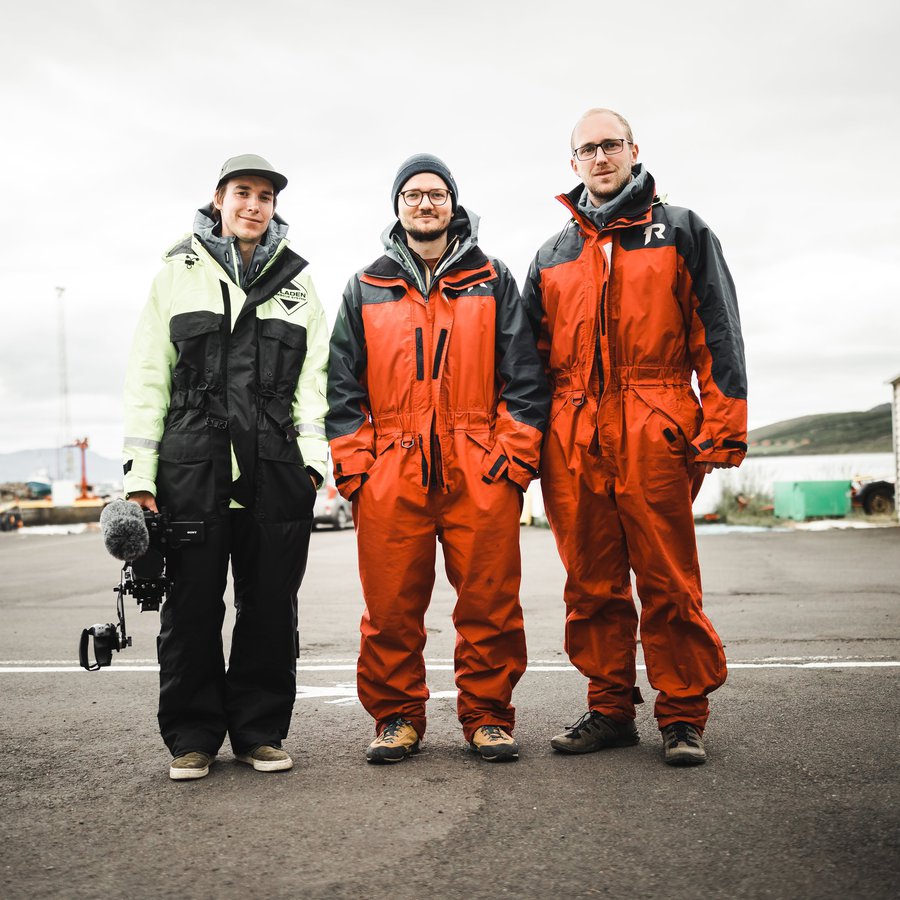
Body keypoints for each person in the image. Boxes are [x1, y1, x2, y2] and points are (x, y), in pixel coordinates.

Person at [522, 109, 747, 766]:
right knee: (590, 582)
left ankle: (682, 715)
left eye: (610, 144)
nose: (600, 157)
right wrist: (526, 448)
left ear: (633, 150)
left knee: (668, 578)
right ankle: (609, 707)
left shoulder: (681, 231)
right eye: (586, 149)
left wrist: (723, 422)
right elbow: (528, 364)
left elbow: (719, 331)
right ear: (573, 164)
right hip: (574, 435)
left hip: (656, 422)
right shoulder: (553, 254)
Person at [327, 154, 549, 763]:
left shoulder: (492, 277)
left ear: (454, 204)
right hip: (391, 467)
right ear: (397, 208)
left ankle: (487, 716)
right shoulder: (366, 284)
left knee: (490, 601)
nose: (425, 204)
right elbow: (341, 386)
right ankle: (396, 717)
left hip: (478, 461)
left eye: (436, 194)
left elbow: (525, 377)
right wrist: (356, 468)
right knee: (392, 605)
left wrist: (512, 460)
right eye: (413, 195)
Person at [122, 154, 329, 780]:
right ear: (219, 198)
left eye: (265, 197)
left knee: (270, 610)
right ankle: (193, 737)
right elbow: (147, 377)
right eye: (243, 193)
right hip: (190, 470)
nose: (253, 205)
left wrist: (313, 466)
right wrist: (140, 476)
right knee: (190, 611)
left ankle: (260, 733)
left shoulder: (299, 282)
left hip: (276, 472)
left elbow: (315, 383)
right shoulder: (175, 274)